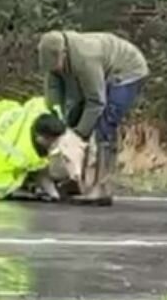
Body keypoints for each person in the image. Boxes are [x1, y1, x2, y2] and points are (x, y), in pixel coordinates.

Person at [38, 30, 149, 206]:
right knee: (75, 117)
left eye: (57, 66)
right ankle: (77, 180)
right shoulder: (53, 61)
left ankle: (102, 187)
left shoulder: (85, 58)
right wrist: (59, 120)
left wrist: (78, 134)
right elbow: (53, 91)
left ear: (63, 54)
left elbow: (96, 101)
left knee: (105, 124)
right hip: (102, 72)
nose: (56, 70)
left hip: (127, 70)